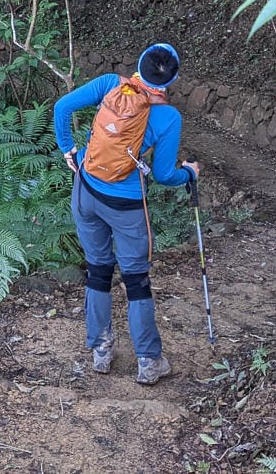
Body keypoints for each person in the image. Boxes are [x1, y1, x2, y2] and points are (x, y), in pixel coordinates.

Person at [53, 43, 200, 385]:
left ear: (139, 65)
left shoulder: (109, 84)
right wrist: (189, 174)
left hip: (86, 192)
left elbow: (62, 107)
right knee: (136, 282)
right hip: (127, 206)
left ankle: (101, 351)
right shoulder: (168, 117)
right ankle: (148, 361)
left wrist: (68, 149)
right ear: (171, 79)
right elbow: (164, 175)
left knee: (98, 270)